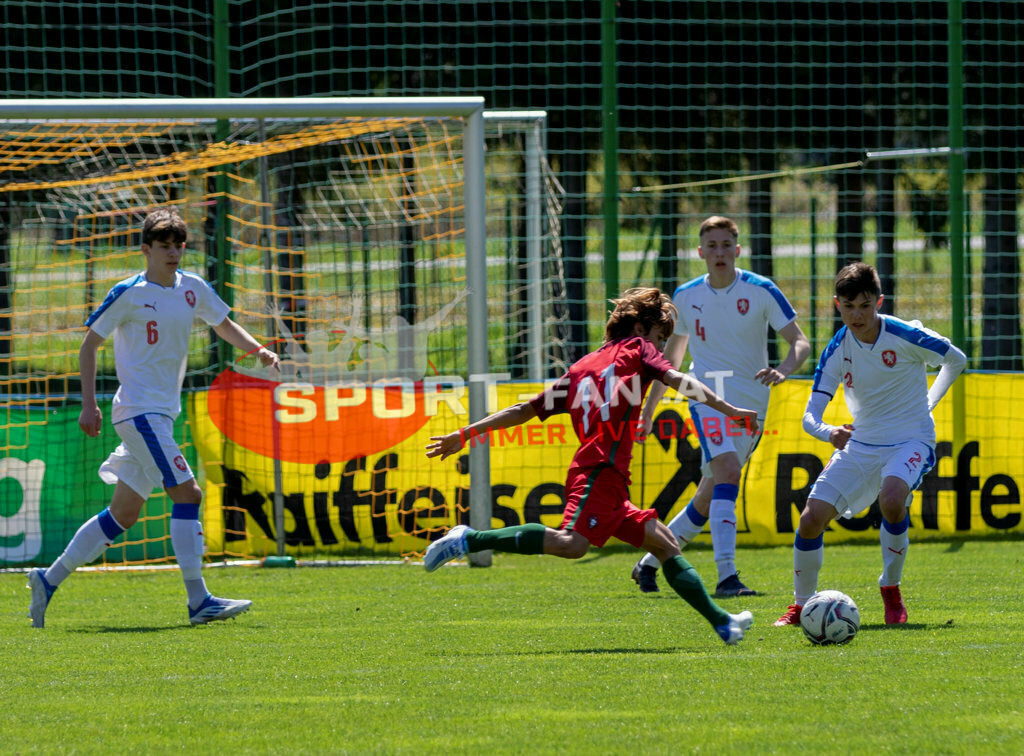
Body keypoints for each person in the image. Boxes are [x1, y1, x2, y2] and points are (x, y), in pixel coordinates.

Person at [423, 287, 760, 645]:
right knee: (572, 544)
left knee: (664, 545)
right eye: (661, 338)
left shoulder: (582, 366)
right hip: (599, 468)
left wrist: (466, 433)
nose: (662, 349)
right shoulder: (639, 348)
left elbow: (524, 411)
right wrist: (731, 411)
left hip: (607, 476)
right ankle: (470, 539)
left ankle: (723, 623)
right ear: (643, 328)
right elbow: (678, 380)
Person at [27, 207, 280, 628]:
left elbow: (224, 324)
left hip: (160, 414)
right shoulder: (128, 292)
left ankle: (47, 580)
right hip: (138, 412)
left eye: (179, 245)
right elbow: (88, 346)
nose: (173, 253)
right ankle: (199, 601)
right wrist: (88, 405)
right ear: (146, 249)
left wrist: (258, 350)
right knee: (189, 494)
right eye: (164, 246)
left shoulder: (192, 287)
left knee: (123, 515)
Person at [773, 262, 966, 627]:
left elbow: (956, 359)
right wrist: (830, 433)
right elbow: (809, 416)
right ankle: (801, 607)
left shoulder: (902, 334)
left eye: (865, 305)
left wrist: (928, 404)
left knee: (892, 501)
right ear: (836, 304)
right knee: (811, 519)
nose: (857, 315)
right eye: (848, 307)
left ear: (878, 301)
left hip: (911, 439)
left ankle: (890, 588)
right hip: (861, 444)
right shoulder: (836, 349)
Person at [631, 216, 810, 597]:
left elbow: (800, 342)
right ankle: (727, 577)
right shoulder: (686, 296)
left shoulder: (762, 290)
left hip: (752, 407)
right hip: (705, 397)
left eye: (726, 244)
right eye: (711, 246)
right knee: (727, 472)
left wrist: (783, 369)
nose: (719, 253)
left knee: (708, 495)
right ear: (700, 253)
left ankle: (648, 563)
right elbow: (671, 364)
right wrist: (647, 412)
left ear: (738, 249)